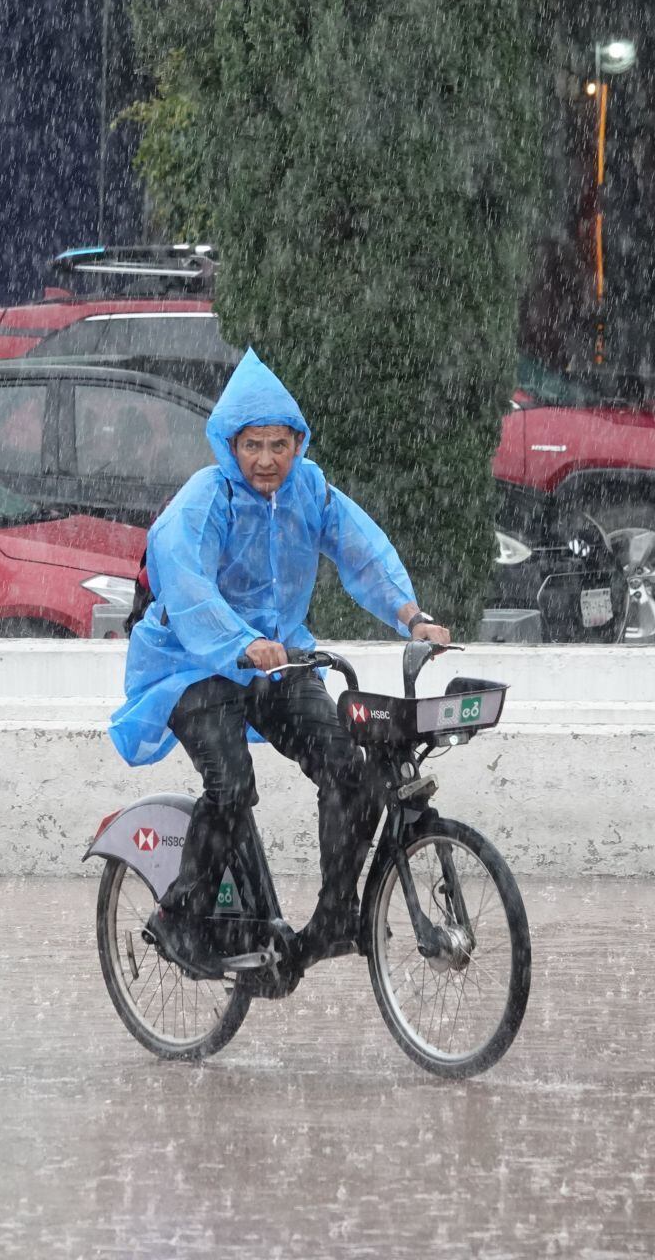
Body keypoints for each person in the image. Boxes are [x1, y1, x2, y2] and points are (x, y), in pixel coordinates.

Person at [108, 349, 450, 977]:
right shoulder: (206, 497)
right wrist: (239, 641)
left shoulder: (309, 489)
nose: (266, 460)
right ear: (230, 446)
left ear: (297, 444)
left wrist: (412, 616)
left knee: (350, 771)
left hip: (277, 662)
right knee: (231, 786)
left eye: (278, 445)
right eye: (252, 445)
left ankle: (335, 918)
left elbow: (363, 551)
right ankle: (179, 917)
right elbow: (185, 582)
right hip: (190, 665)